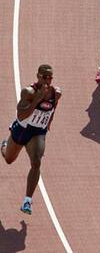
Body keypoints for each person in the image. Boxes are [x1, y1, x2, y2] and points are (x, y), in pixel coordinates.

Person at [1, 64, 62, 215]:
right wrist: (37, 100)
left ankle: (27, 200)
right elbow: (21, 115)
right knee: (9, 159)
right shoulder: (28, 92)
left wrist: (48, 123)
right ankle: (4, 146)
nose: (48, 80)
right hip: (22, 130)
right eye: (45, 77)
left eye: (50, 77)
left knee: (36, 161)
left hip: (38, 132)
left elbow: (53, 108)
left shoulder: (56, 93)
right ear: (38, 76)